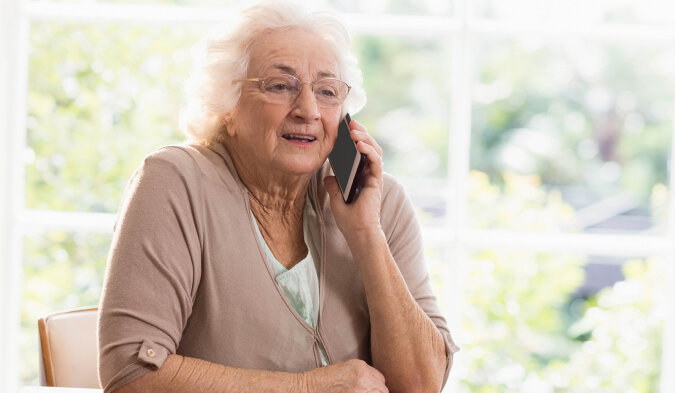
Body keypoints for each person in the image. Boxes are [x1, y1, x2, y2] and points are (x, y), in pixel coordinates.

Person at [97, 1, 459, 392]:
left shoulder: (380, 202)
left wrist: (367, 235)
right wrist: (307, 388)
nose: (308, 110)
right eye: (280, 86)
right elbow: (130, 377)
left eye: (327, 91)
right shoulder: (175, 182)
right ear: (227, 105)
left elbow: (422, 385)